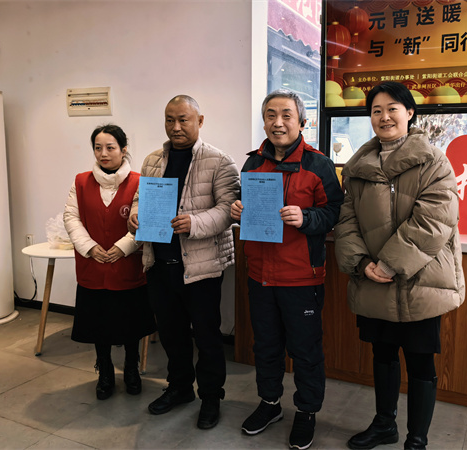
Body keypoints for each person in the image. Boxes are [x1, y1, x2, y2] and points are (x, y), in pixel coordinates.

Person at [334, 81, 465, 450]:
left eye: (392, 108)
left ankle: (417, 440)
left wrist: (390, 264)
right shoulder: (357, 167)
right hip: (373, 279)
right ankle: (384, 425)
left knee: (420, 362)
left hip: (422, 280)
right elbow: (346, 221)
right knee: (383, 354)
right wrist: (362, 263)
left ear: (410, 112)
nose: (384, 116)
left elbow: (435, 220)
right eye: (376, 110)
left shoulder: (433, 161)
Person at [230, 89, 343, 450]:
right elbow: (245, 204)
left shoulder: (318, 164)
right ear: (264, 121)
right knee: (265, 345)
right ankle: (270, 403)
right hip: (259, 274)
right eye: (270, 115)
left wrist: (305, 217)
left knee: (305, 351)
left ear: (301, 122)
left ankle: (306, 411)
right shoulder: (252, 164)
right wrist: (237, 209)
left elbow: (335, 213)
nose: (277, 123)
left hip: (301, 277)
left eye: (286, 115)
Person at [127, 95, 240, 430]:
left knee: (206, 337)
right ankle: (179, 388)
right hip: (160, 263)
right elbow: (140, 199)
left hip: (201, 267)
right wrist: (134, 215)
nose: (175, 127)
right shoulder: (152, 160)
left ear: (200, 121)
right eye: (169, 120)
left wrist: (195, 222)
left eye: (183, 120)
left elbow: (228, 210)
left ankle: (210, 397)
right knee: (172, 334)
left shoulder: (219, 161)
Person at [64, 124, 156, 401]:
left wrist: (123, 247)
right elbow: (71, 218)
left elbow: (146, 219)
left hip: (127, 265)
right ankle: (104, 370)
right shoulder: (81, 182)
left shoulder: (140, 181)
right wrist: (90, 247)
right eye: (98, 148)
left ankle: (131, 369)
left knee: (130, 324)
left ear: (123, 150)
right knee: (98, 323)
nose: (103, 153)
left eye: (110, 147)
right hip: (93, 265)